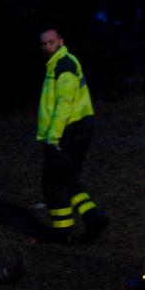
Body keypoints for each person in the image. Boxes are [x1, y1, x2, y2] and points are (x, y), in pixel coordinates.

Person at [37, 27, 108, 243]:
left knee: (53, 182)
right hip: (78, 129)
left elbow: (64, 104)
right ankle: (92, 216)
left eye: (51, 42)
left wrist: (53, 137)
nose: (47, 46)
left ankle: (63, 231)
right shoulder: (60, 64)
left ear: (60, 41)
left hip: (70, 130)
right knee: (69, 178)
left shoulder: (64, 64)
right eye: (44, 43)